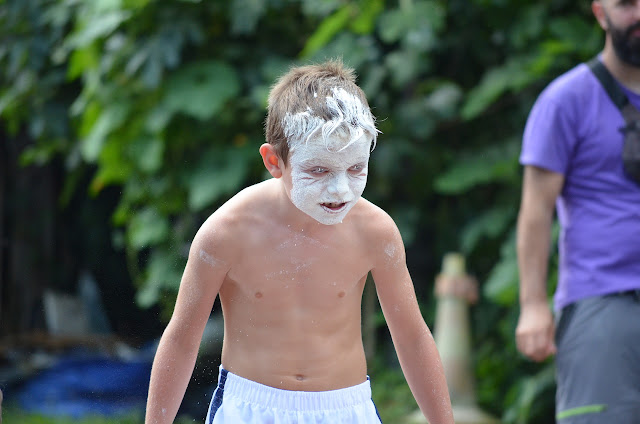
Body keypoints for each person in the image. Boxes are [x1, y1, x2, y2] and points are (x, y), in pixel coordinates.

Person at [145, 59, 454, 424]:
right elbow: (181, 340)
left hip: (346, 408)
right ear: (274, 161)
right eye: (318, 170)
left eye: (356, 168)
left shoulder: (375, 231)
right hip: (251, 409)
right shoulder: (227, 232)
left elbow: (413, 337)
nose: (340, 190)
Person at [515, 1, 640, 423]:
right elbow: (536, 211)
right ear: (601, 13)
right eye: (627, 4)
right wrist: (533, 304)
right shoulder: (566, 100)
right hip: (603, 301)